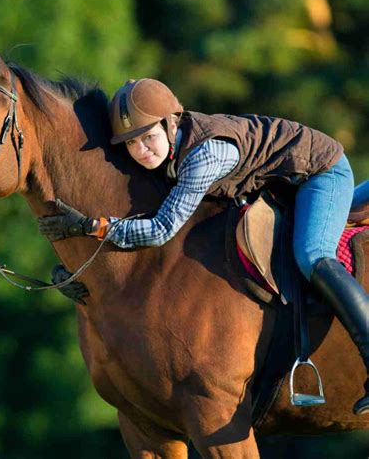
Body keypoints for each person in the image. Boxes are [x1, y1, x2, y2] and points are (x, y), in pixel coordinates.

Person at [55, 78, 369, 415]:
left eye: (148, 137)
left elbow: (161, 229)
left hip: (320, 172)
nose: (142, 150)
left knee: (311, 255)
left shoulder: (204, 156)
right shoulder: (167, 152)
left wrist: (96, 227)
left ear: (171, 122)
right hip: (281, 178)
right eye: (131, 143)